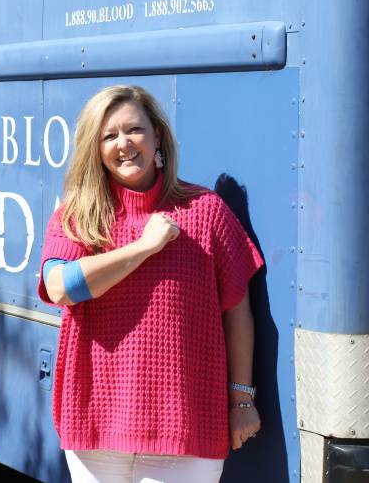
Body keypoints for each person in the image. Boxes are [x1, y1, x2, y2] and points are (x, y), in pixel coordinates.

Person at [37, 85, 263, 483]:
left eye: (134, 130)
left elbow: (238, 310)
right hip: (97, 430)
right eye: (109, 136)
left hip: (186, 428)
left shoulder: (205, 211)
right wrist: (144, 247)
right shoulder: (79, 216)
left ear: (157, 135)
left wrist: (242, 398)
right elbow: (60, 287)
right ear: (96, 148)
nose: (123, 144)